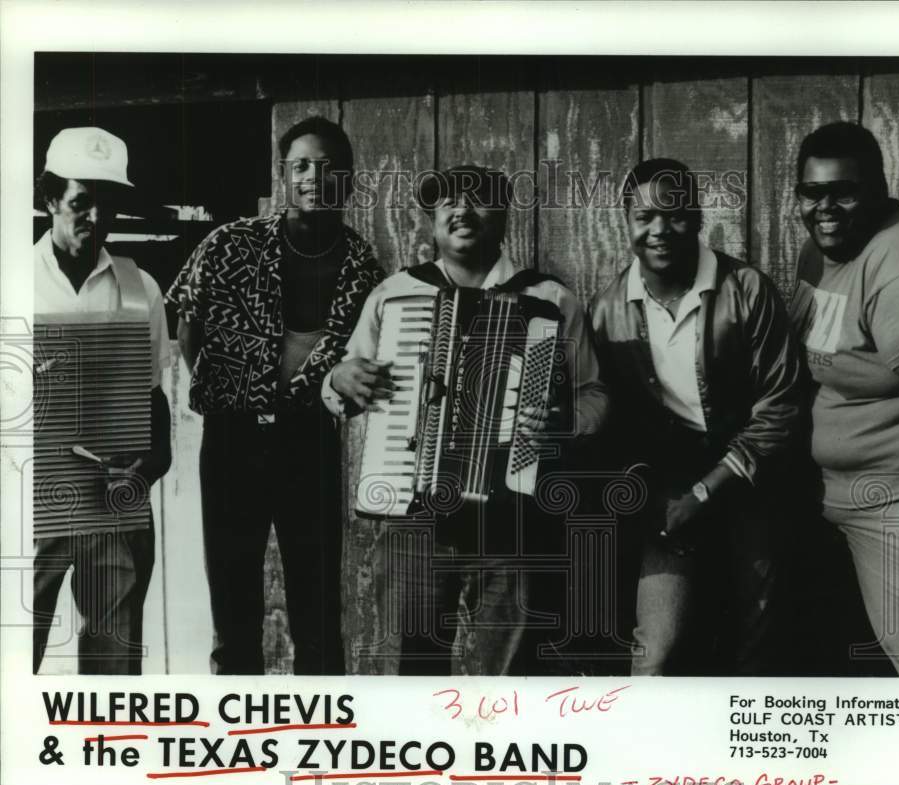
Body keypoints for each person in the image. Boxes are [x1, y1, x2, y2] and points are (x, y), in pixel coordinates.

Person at [322, 164, 608, 675]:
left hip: (512, 522)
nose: (462, 210)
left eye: (479, 200)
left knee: (508, 676)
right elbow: (345, 384)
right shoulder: (395, 295)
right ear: (432, 221)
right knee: (412, 670)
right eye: (448, 202)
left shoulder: (549, 299)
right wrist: (338, 378)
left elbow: (594, 393)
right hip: (414, 520)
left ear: (503, 216)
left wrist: (564, 423)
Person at [166, 116, 384, 674]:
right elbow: (187, 324)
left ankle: (322, 742)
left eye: (329, 166)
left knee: (317, 610)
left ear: (350, 181)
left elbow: (365, 361)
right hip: (232, 441)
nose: (315, 177)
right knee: (234, 609)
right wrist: (238, 390)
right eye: (301, 165)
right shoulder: (231, 243)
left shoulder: (364, 269)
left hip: (307, 441)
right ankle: (239, 737)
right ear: (284, 175)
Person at [589, 158, 806, 676]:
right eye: (644, 217)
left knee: (758, 643)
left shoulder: (747, 290)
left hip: (751, 484)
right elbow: (608, 420)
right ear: (626, 221)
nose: (659, 230)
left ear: (699, 216)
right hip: (669, 494)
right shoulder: (609, 308)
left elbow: (783, 405)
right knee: (657, 653)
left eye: (675, 214)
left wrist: (707, 491)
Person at [789, 121, 899, 676]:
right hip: (842, 501)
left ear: (878, 189)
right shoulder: (821, 253)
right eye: (812, 192)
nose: (826, 207)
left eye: (844, 191)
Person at [33, 126, 172, 674]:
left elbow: (153, 396)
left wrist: (152, 464)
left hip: (113, 503)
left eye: (107, 204)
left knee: (113, 672)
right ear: (49, 199)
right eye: (81, 203)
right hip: (29, 501)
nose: (94, 217)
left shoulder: (141, 288)